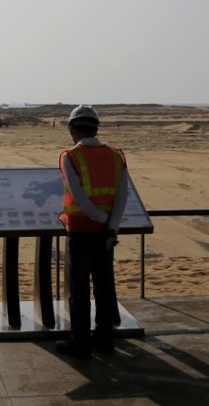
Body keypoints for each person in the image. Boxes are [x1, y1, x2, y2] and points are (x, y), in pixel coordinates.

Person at [55, 104, 130, 357]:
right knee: (105, 286)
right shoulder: (116, 155)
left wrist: (98, 218)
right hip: (106, 233)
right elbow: (122, 196)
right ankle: (105, 338)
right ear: (96, 128)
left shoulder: (70, 157)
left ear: (72, 128)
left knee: (79, 289)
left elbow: (78, 198)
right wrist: (111, 226)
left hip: (80, 231)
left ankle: (80, 341)